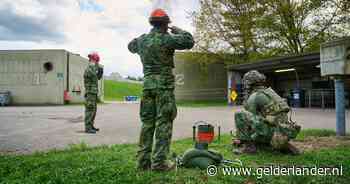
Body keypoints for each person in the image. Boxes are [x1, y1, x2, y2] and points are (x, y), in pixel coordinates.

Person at [128, 9, 194, 171]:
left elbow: (131, 46)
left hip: (148, 85)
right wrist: (177, 30)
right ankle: (159, 162)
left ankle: (143, 162)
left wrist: (143, 40)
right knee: (164, 122)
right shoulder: (167, 39)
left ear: (152, 23)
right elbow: (189, 41)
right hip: (163, 86)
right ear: (165, 24)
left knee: (147, 123)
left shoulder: (142, 40)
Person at [233, 70, 301, 154]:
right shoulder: (270, 92)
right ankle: (279, 143)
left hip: (272, 132)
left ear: (248, 84)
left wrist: (242, 139)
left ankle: (249, 147)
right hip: (284, 131)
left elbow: (249, 123)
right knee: (258, 120)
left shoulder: (254, 96)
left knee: (240, 114)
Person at [84, 52, 103, 134]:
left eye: (93, 59)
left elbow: (97, 78)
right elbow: (93, 76)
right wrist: (97, 68)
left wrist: (100, 71)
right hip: (90, 92)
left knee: (93, 110)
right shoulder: (89, 68)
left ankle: (91, 125)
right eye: (92, 59)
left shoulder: (92, 68)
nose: (92, 60)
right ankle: (88, 128)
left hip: (93, 92)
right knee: (90, 109)